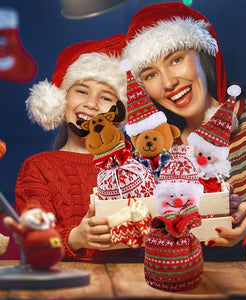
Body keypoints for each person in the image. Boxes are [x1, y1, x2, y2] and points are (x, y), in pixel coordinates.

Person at [123, 2, 246, 250]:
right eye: (150, 74)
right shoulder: (160, 154)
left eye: (175, 59)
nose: (168, 83)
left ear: (203, 55)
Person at [5, 34, 146, 263]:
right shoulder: (38, 168)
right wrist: (75, 238)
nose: (91, 104)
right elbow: (35, 240)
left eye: (106, 97)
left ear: (119, 112)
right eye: (81, 91)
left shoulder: (138, 167)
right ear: (62, 100)